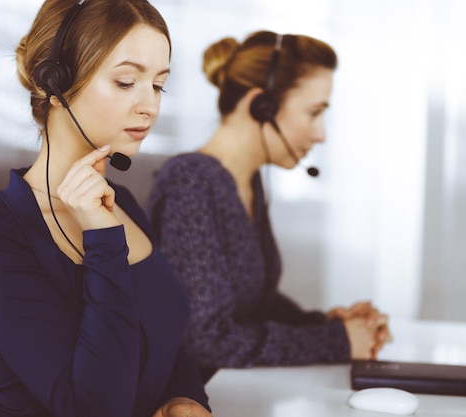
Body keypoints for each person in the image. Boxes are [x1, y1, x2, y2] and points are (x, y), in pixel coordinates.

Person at [0, 1, 211, 416]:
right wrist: (101, 238)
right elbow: (94, 408)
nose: (150, 106)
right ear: (56, 84)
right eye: (127, 82)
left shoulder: (120, 204)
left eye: (159, 85)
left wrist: (183, 397)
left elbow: (160, 332)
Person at [146, 30, 393, 383]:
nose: (320, 133)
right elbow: (207, 340)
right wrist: (334, 341)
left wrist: (326, 324)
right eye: (314, 112)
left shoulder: (246, 181)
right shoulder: (192, 183)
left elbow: (252, 304)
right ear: (262, 106)